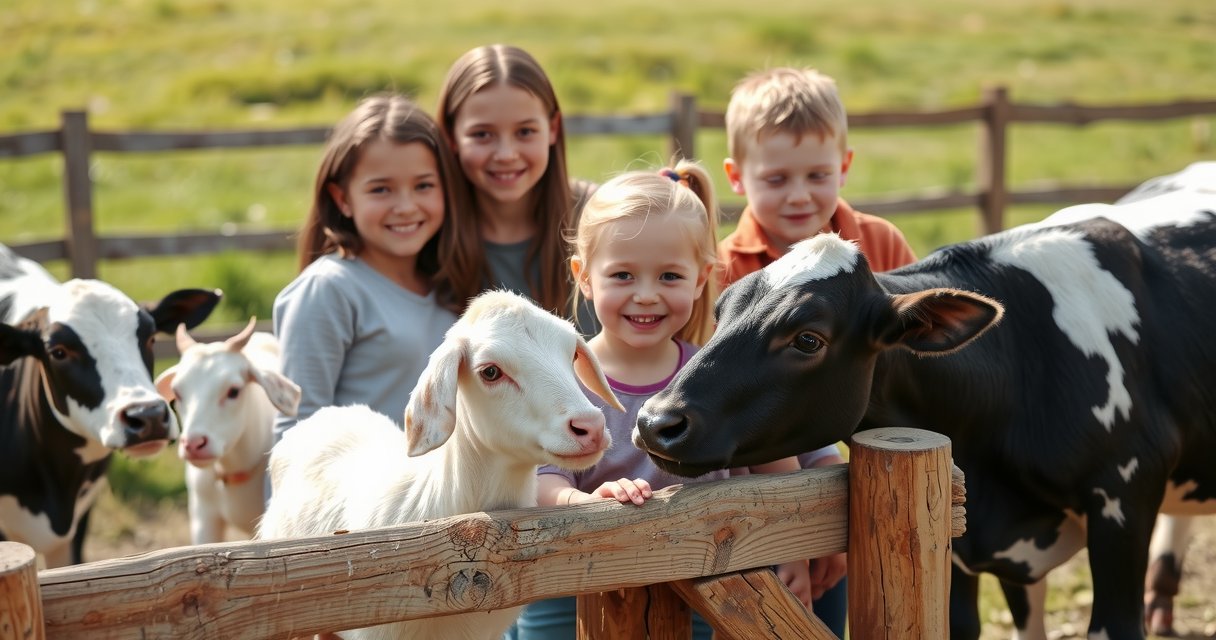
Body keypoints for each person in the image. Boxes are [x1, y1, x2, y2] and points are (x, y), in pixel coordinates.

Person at [509, 162, 810, 640]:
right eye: (623, 275)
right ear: (584, 276)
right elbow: (540, 480)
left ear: (701, 278)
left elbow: (775, 464)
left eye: (669, 276)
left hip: (709, 591)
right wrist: (583, 503)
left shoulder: (718, 377)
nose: (646, 295)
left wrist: (793, 551)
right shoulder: (560, 382)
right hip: (572, 593)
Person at [718, 66, 919, 635]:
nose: (800, 195)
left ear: (845, 166)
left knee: (870, 594)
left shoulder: (879, 243)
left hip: (869, 466)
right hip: (764, 484)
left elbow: (907, 366)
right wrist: (797, 524)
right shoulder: (729, 270)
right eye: (776, 178)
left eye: (818, 175)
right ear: (737, 176)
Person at [272, 93, 470, 443]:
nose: (405, 206)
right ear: (343, 199)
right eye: (381, 190)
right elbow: (296, 432)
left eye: (423, 185)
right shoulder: (328, 290)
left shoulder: (449, 285)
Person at [435, 44, 598, 333]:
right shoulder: (427, 232)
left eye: (525, 132)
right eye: (482, 134)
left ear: (553, 128)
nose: (506, 154)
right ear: (451, 137)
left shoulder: (602, 217)